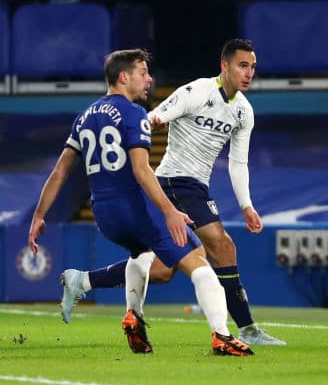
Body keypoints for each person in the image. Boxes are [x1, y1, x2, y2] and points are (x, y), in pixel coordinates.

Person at [58, 39, 285, 346]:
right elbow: (153, 117)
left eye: (253, 67)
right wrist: (154, 122)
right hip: (174, 182)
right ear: (225, 66)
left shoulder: (244, 111)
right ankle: (246, 330)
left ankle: (83, 280)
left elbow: (238, 162)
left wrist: (246, 205)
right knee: (222, 245)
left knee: (164, 270)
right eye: (242, 65)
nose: (249, 73)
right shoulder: (196, 91)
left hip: (195, 185)